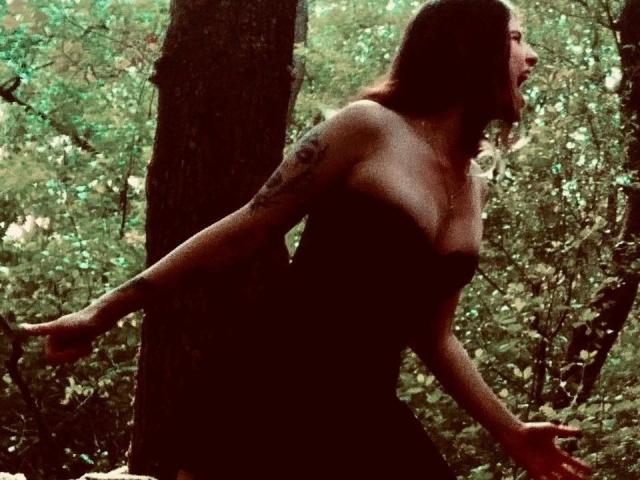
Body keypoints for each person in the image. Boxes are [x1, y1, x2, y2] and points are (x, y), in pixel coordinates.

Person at [18, 0, 592, 479]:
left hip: (364, 412)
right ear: (468, 47)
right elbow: (248, 227)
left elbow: (435, 336)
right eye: (516, 38)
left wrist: (510, 431)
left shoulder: (473, 185)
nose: (531, 56)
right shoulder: (367, 128)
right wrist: (103, 310)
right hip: (267, 395)